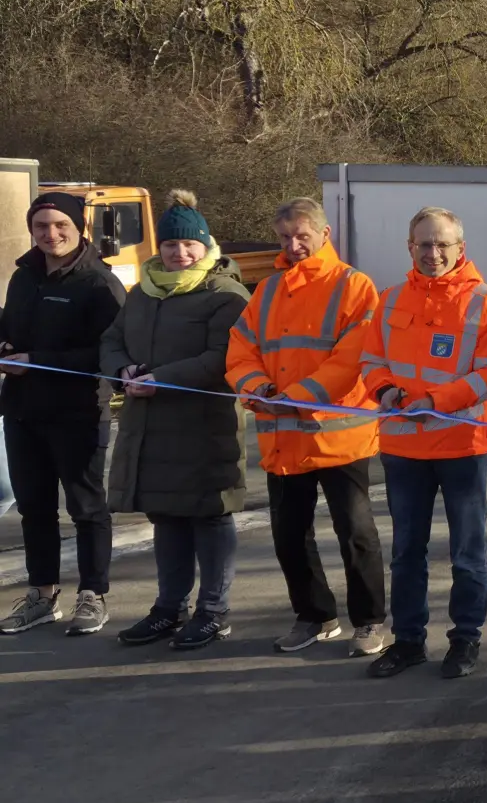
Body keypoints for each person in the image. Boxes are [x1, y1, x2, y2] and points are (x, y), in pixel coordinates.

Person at [226, 197, 389, 658]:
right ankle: (314, 616)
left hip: (339, 434)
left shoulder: (355, 286)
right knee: (289, 534)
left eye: (302, 236)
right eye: (284, 238)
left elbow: (355, 353)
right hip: (283, 434)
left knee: (355, 533)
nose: (294, 245)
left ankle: (370, 621)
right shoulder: (269, 290)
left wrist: (304, 393)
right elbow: (240, 348)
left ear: (324, 235)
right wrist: (256, 386)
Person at [360, 207, 487, 680]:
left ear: (460, 248)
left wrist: (430, 400)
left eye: (442, 244)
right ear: (410, 248)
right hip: (404, 450)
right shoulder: (388, 301)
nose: (433, 253)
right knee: (407, 551)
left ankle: (465, 639)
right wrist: (384, 390)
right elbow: (370, 359)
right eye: (424, 244)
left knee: (467, 552)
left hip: (464, 448)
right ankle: (408, 641)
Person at [103, 191, 251, 649]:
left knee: (209, 515)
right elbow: (111, 339)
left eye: (189, 245)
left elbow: (221, 357)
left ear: (207, 248)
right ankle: (169, 606)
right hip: (150, 427)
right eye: (171, 245)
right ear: (159, 248)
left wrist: (160, 379)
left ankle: (213, 609)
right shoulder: (140, 293)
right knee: (165, 517)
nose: (180, 253)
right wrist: (121, 369)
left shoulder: (226, 295)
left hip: (205, 426)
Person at [0, 192, 126, 636]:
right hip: (20, 410)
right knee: (34, 509)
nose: (50, 235)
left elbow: (108, 350)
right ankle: (41, 595)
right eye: (41, 227)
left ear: (80, 230)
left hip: (76, 413)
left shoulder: (98, 283)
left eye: (60, 227)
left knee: (87, 507)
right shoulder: (24, 277)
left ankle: (93, 595)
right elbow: (9, 327)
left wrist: (39, 358)